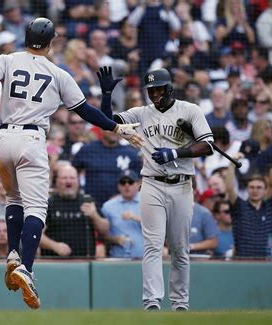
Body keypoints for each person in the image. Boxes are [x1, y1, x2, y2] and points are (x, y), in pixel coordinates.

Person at [0, 17, 141, 309]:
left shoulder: (8, 59)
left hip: (2, 141)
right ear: (51, 43)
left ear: (26, 38)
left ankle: (13, 254)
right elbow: (86, 111)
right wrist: (116, 127)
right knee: (36, 207)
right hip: (32, 140)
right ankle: (26, 266)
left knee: (13, 197)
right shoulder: (58, 73)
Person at [98, 67, 214, 311]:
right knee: (152, 245)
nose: (154, 94)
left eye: (159, 89)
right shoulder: (142, 113)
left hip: (181, 184)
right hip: (150, 182)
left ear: (169, 88)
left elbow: (207, 146)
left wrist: (176, 152)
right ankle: (152, 303)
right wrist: (107, 95)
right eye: (151, 90)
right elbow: (108, 122)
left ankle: (180, 303)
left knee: (179, 248)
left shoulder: (189, 110)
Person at [225, 153, 272, 257]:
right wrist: (231, 164)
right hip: (242, 262)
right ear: (247, 189)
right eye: (252, 187)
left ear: (265, 190)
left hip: (265, 264)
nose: (255, 190)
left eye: (259, 187)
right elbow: (230, 189)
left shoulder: (271, 206)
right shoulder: (239, 206)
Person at [40, 165, 109, 258]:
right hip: (54, 261)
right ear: (57, 182)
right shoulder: (48, 204)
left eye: (72, 178)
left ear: (78, 181)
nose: (68, 181)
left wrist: (94, 215)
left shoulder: (87, 201)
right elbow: (36, 235)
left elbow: (105, 230)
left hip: (84, 262)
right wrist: (54, 246)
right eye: (64, 178)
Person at [101, 170, 143, 259]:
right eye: (123, 182)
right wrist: (115, 239)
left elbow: (160, 227)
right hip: (118, 259)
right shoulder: (108, 206)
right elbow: (102, 235)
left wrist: (136, 217)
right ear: (118, 186)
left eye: (130, 182)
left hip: (145, 258)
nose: (126, 185)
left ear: (138, 184)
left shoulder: (148, 203)